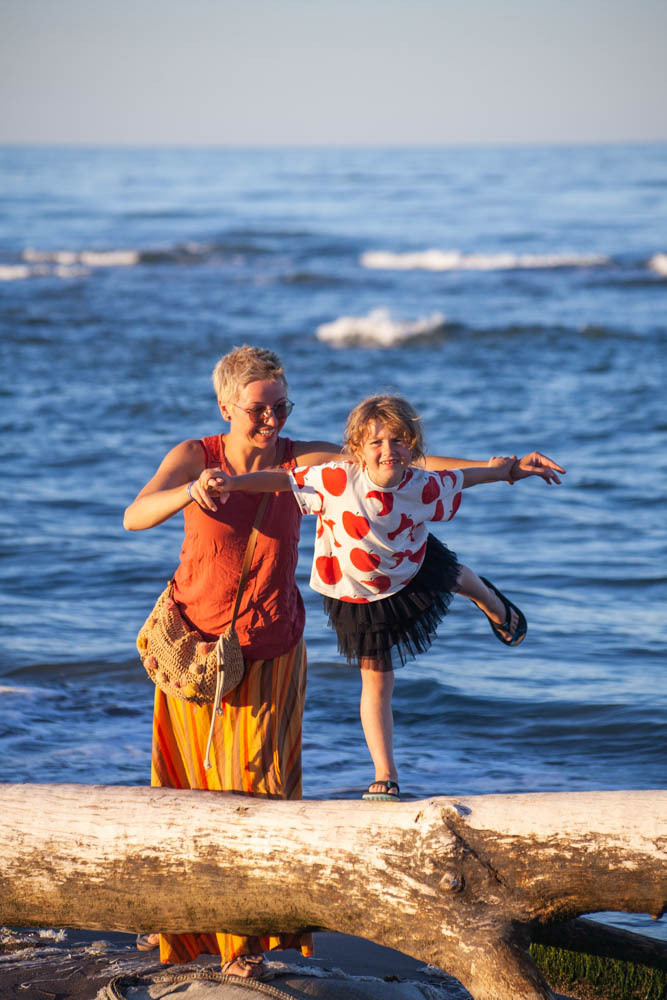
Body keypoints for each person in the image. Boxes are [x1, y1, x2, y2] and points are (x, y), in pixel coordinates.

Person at [123, 347, 564, 978]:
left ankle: (250, 946)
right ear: (226, 407)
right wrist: (187, 493)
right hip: (192, 646)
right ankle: (182, 929)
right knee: (183, 789)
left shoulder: (306, 460)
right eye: (259, 408)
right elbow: (134, 515)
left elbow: (405, 463)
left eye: (282, 406)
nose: (273, 419)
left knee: (258, 790)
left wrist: (506, 469)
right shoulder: (196, 455)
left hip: (268, 644)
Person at [210, 393, 563, 806]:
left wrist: (514, 470)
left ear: (411, 446)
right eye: (375, 442)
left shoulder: (422, 483)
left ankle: (492, 602)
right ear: (358, 449)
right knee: (376, 680)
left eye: (397, 441)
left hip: (408, 563)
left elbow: (468, 476)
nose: (387, 451)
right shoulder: (337, 478)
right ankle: (386, 774)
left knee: (453, 575)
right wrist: (232, 483)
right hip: (357, 590)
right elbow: (282, 480)